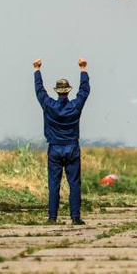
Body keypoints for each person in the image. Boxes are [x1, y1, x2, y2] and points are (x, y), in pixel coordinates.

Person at [32, 57, 90, 225]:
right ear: (68, 91)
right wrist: (83, 68)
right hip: (72, 147)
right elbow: (84, 91)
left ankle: (52, 217)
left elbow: (39, 91)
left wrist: (37, 70)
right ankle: (75, 217)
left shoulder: (49, 105)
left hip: (55, 148)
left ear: (57, 91)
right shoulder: (75, 106)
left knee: (54, 184)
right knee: (74, 184)